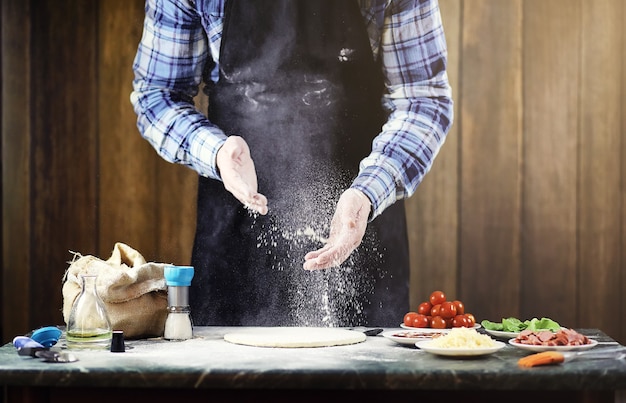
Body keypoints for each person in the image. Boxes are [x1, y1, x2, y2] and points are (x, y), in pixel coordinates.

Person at [131, 0, 453, 328]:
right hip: (238, 223)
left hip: (357, 222)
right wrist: (215, 152)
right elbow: (158, 94)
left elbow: (423, 99)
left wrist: (369, 191)